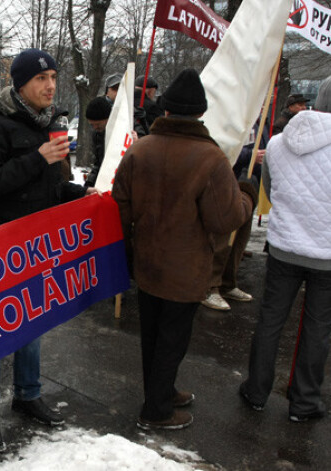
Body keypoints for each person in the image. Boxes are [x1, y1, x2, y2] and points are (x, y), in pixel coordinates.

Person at [112, 69, 256, 431]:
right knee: (173, 339)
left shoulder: (140, 149)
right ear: (200, 113)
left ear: (167, 109)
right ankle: (156, 410)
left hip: (147, 262)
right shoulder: (211, 159)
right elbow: (225, 219)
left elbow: (120, 205)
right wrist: (247, 196)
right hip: (185, 267)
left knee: (154, 335)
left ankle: (161, 391)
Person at [0, 48, 100, 451]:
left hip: (38, 245)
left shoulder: (49, 123)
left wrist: (81, 194)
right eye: (41, 79)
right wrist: (36, 157)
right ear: (20, 84)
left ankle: (28, 395)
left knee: (33, 324)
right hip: (0, 243)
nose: (50, 86)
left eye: (54, 78)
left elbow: (48, 189)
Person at [239, 76, 331, 422]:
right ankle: (305, 401)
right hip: (326, 255)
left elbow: (271, 188)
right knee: (317, 328)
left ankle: (256, 390)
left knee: (270, 320)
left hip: (283, 247)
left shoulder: (277, 144)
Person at [203, 118, 269, 311]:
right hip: (223, 183)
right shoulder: (236, 110)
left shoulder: (259, 121)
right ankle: (210, 286)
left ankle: (227, 282)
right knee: (222, 238)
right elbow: (219, 147)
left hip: (246, 184)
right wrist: (249, 155)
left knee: (239, 239)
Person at [82, 96, 112, 188]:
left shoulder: (121, 132)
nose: (95, 128)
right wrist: (89, 183)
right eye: (92, 125)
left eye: (98, 124)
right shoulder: (97, 135)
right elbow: (98, 164)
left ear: (108, 118)